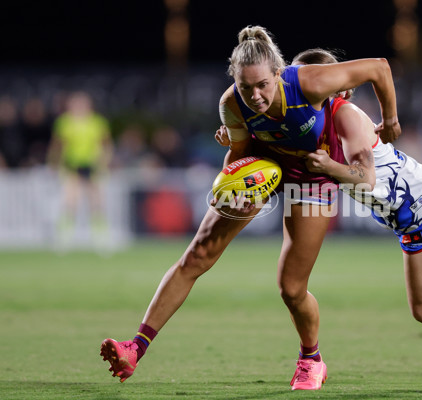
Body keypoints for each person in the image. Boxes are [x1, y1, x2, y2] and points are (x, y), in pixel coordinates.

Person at [217, 47, 422, 389]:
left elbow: (366, 179)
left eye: (308, 82)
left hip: (417, 204)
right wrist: (237, 137)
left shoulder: (344, 115)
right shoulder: (308, 124)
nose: (300, 90)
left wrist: (330, 166)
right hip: (415, 198)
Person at [100, 25, 400, 391]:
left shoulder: (310, 82)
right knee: (196, 256)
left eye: (263, 85)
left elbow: (380, 68)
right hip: (264, 169)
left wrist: (392, 120)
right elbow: (239, 154)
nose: (255, 95)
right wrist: (223, 187)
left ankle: (311, 360)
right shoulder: (231, 104)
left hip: (313, 173)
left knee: (291, 289)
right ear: (235, 81)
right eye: (246, 87)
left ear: (278, 72)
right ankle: (135, 347)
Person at [47, 91, 113, 249]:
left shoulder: (97, 122)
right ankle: (64, 237)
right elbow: (58, 145)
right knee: (71, 201)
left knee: (96, 202)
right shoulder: (64, 123)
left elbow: (106, 144)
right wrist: (53, 163)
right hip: (71, 165)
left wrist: (104, 162)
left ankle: (101, 237)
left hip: (92, 165)